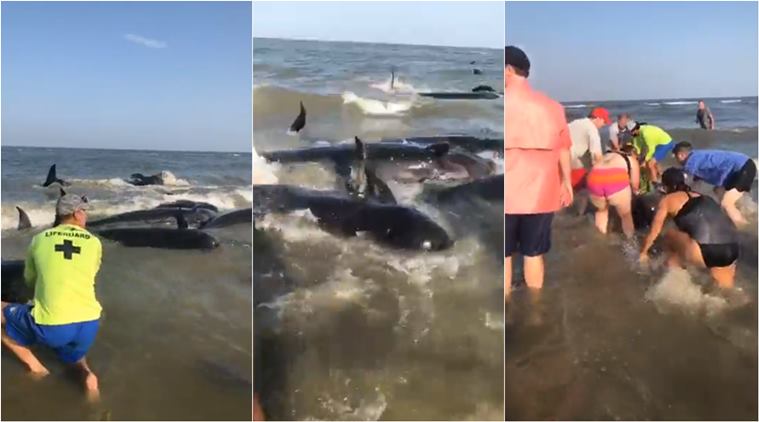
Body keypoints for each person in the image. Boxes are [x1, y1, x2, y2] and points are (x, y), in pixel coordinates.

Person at [1, 194, 102, 401]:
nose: (86, 216)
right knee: (72, 351)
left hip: (54, 326)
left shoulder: (40, 239)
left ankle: (37, 369)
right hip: (89, 324)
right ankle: (88, 377)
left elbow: (30, 280)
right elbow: (89, 274)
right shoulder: (94, 242)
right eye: (84, 211)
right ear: (76, 213)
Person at [504, 45, 573, 297]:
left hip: (508, 193)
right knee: (534, 254)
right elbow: (563, 149)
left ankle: (507, 308)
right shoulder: (553, 107)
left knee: (504, 256)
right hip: (542, 193)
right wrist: (566, 183)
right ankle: (536, 310)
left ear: (508, 70)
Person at [639, 168, 738, 288]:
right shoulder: (705, 197)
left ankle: (671, 271)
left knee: (668, 235)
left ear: (665, 187)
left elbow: (654, 231)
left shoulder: (668, 200)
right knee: (726, 290)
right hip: (731, 248)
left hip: (703, 251)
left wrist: (643, 253)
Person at [673, 141, 756, 226]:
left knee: (726, 204)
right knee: (718, 191)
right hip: (742, 166)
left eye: (675, 156)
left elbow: (680, 179)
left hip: (742, 168)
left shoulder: (691, 161)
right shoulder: (697, 157)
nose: (675, 159)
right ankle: (736, 215)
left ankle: (745, 228)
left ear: (680, 155)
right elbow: (694, 181)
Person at [586, 144, 641, 237]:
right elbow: (635, 186)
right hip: (615, 178)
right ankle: (631, 244)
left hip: (593, 177)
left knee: (601, 211)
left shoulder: (607, 155)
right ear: (633, 153)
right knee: (625, 215)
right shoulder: (631, 159)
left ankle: (601, 239)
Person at [568, 107, 610, 188]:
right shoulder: (592, 129)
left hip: (563, 167)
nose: (604, 125)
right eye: (604, 122)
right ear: (598, 118)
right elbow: (596, 155)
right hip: (578, 172)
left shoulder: (574, 123)